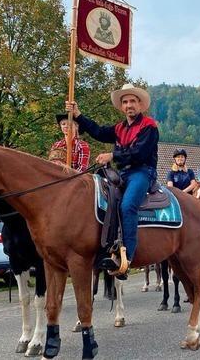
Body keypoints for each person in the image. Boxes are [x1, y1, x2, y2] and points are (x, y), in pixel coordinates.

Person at [66, 83, 159, 277]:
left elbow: (139, 154)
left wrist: (112, 156)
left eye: (132, 101)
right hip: (123, 173)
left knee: (127, 206)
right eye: (125, 102)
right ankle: (106, 247)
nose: (128, 105)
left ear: (140, 105)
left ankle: (128, 257)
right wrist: (78, 115)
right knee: (99, 199)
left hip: (143, 171)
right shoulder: (119, 128)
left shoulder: (149, 126)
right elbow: (99, 132)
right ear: (121, 107)